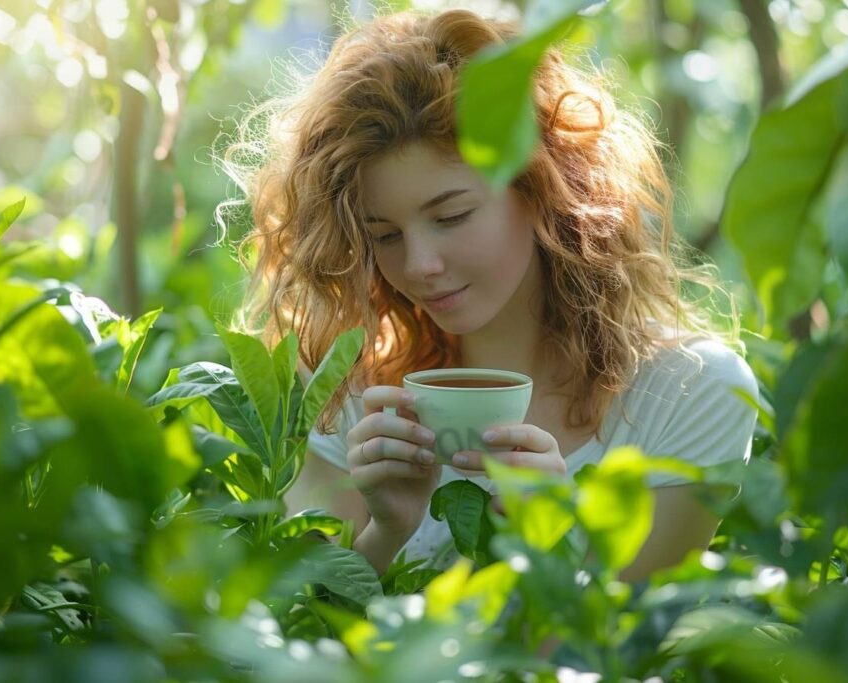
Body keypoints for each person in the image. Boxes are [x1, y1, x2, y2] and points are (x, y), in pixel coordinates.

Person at [225, 8, 758, 579]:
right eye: (385, 235)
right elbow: (298, 635)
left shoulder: (688, 393)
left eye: (451, 216)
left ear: (542, 188)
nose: (421, 265)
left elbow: (625, 652)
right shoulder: (347, 393)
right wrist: (389, 531)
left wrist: (551, 542)